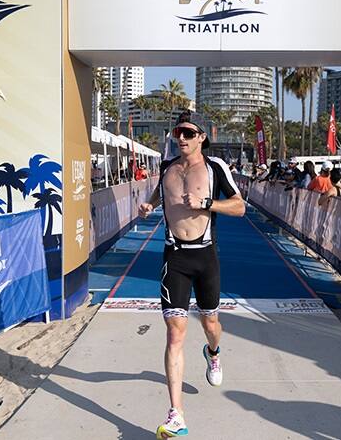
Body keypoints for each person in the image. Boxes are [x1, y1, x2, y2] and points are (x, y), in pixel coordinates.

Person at [138, 111, 246, 439]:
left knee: (211, 324)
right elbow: (160, 193)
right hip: (175, 257)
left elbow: (240, 206)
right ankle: (176, 415)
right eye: (177, 133)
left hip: (205, 256)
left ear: (201, 136)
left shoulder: (215, 168)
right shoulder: (167, 167)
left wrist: (207, 203)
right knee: (175, 333)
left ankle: (213, 353)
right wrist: (149, 205)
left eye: (188, 133)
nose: (181, 138)